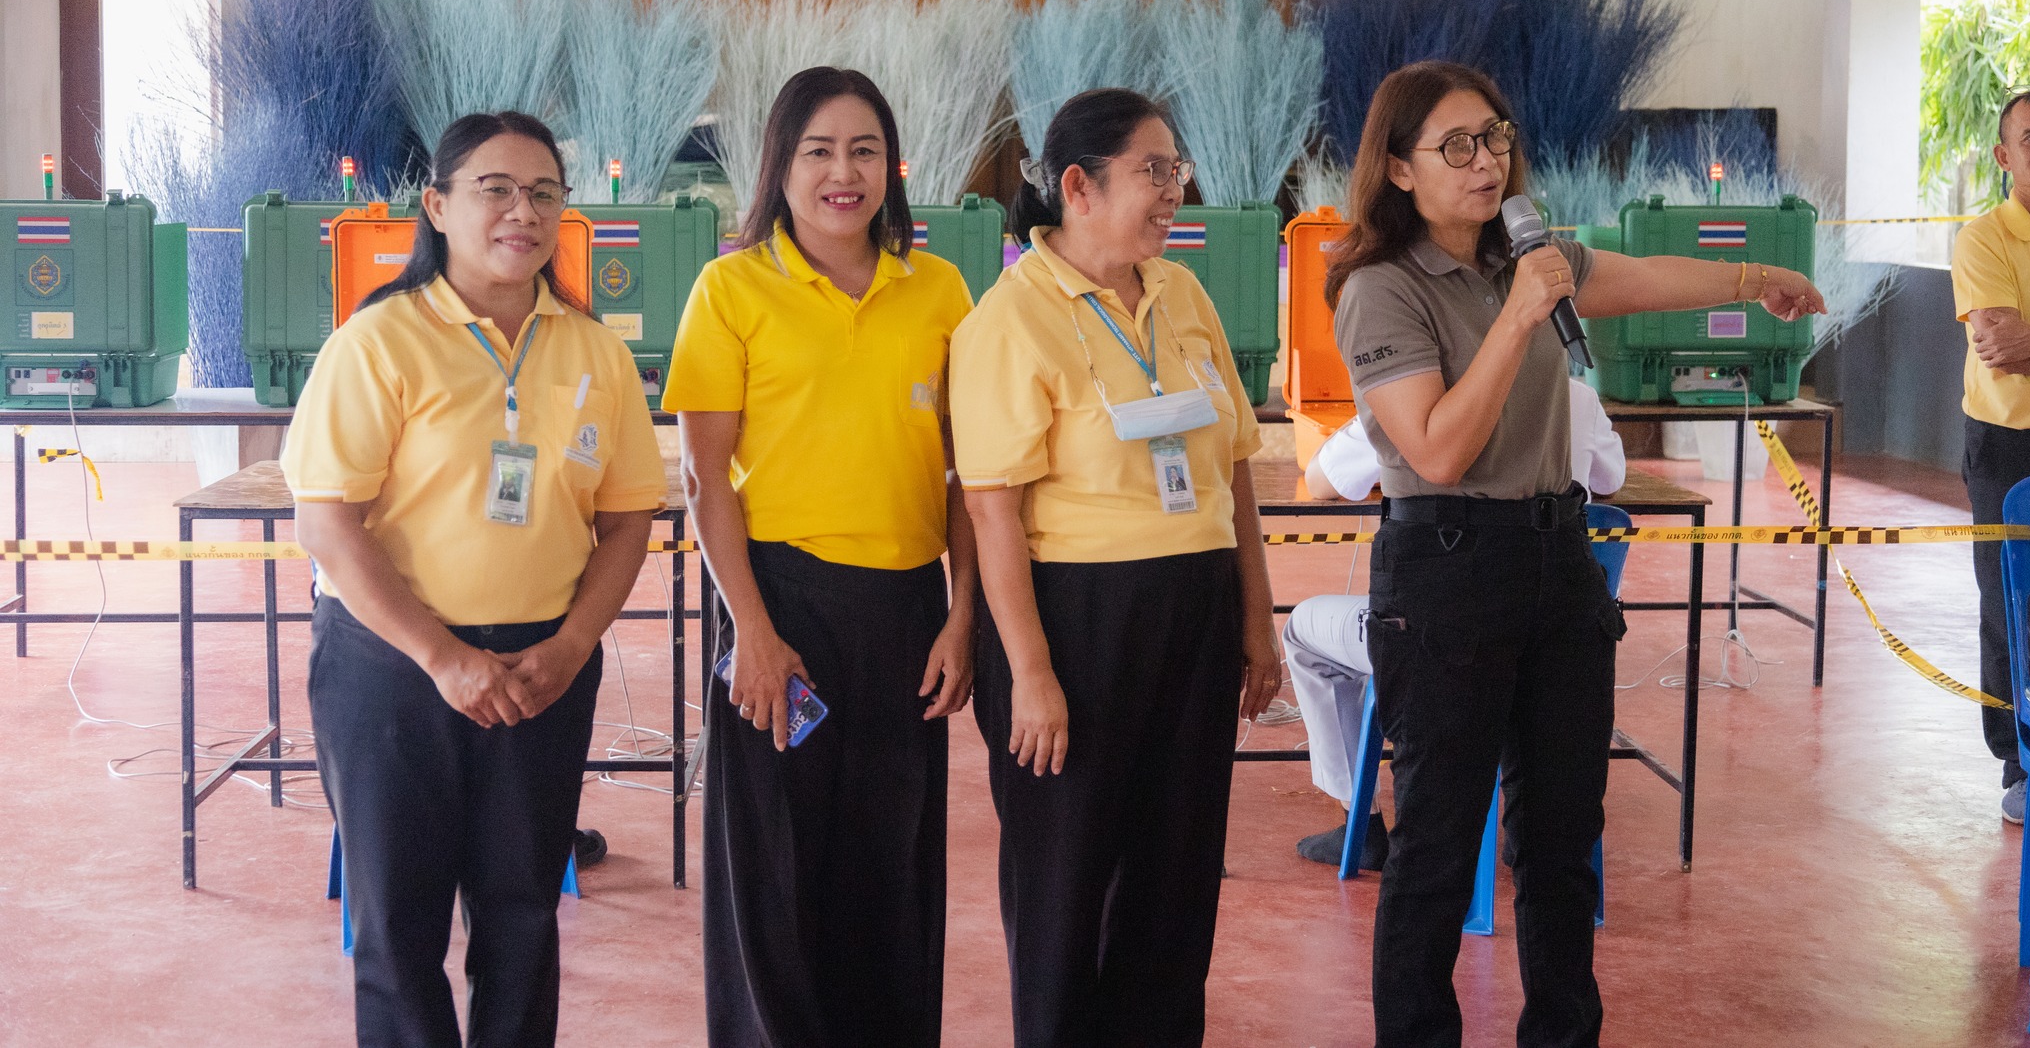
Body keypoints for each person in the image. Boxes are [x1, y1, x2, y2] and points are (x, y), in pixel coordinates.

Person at [1326, 60, 1824, 1047]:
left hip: (1556, 561)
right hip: (1446, 566)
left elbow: (1634, 278)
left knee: (1560, 840)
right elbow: (1432, 446)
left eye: (1495, 139)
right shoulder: (1379, 288)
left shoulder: (1532, 252)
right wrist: (1516, 318)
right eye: (1455, 146)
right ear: (1395, 167)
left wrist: (1751, 278)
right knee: (1434, 843)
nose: (1484, 163)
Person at [287, 111, 666, 1048]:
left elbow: (626, 520)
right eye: (493, 189)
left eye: (542, 192)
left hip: (541, 670)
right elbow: (326, 519)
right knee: (398, 929)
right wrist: (440, 654)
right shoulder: (380, 343)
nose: (520, 212)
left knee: (524, 918)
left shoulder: (594, 352)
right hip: (392, 670)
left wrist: (573, 645)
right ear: (438, 206)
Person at [951, 88, 1283, 1048]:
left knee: (1176, 878)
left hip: (1195, 613)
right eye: (1153, 169)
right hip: (1075, 622)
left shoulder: (1183, 294)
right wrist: (1034, 675)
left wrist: (1256, 621)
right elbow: (991, 509)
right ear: (1076, 186)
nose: (1175, 188)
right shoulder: (1010, 320)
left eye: (1177, 168)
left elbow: (1231, 468)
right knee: (1065, 883)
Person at [667, 67, 978, 1048]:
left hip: (905, 612)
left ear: (892, 166)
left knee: (891, 859)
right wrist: (751, 632)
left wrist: (961, 617)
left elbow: (970, 475)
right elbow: (705, 479)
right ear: (780, 167)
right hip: (779, 603)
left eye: (863, 150)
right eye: (818, 151)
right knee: (775, 858)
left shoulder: (937, 290)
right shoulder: (732, 288)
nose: (842, 172)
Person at [1286, 378, 1627, 870]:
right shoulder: (1574, 393)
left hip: (1437, 634)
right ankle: (1524, 825)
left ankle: (1359, 821)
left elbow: (1322, 480)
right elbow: (1610, 479)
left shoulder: (1407, 399)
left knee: (1301, 631)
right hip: (1559, 623)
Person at [1951, 82, 2030, 826]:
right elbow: (2003, 350)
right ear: (2004, 154)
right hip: (2006, 443)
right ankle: (2019, 761)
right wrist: (2024, 341)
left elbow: (2026, 339)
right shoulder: (1983, 238)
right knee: (2007, 603)